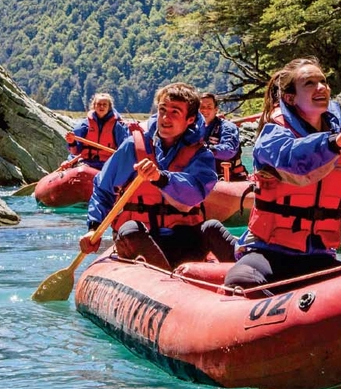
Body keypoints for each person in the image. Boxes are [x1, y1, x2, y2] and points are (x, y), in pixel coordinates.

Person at [223, 57, 341, 289]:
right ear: (289, 97)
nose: (321, 87)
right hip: (268, 252)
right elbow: (295, 162)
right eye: (309, 83)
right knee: (241, 282)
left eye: (322, 81)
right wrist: (332, 143)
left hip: (319, 256)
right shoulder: (272, 136)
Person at [82, 83, 238, 270]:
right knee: (130, 229)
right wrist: (93, 227)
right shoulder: (133, 147)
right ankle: (166, 278)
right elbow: (103, 189)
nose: (165, 117)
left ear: (190, 119)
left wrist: (162, 178)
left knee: (211, 228)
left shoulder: (200, 154)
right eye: (163, 109)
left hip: (182, 240)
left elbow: (195, 193)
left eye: (175, 112)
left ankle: (250, 282)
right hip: (141, 238)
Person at [64, 92, 128, 170]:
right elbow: (75, 151)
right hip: (87, 162)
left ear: (109, 107)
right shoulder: (84, 125)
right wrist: (72, 142)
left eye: (105, 105)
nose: (101, 107)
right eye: (99, 104)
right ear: (94, 106)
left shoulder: (117, 126)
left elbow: (124, 148)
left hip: (108, 163)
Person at [198, 92, 248, 180]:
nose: (205, 110)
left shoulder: (227, 127)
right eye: (202, 107)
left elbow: (229, 150)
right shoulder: (194, 129)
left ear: (216, 109)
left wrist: (206, 148)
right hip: (205, 176)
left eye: (209, 107)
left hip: (229, 177)